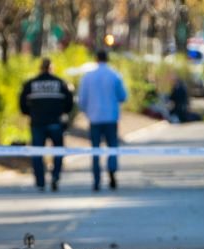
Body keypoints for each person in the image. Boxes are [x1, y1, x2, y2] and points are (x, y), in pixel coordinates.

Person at [19, 57, 74, 192]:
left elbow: (22, 103)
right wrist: (62, 112)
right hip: (56, 122)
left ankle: (40, 181)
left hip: (37, 123)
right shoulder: (60, 83)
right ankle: (55, 176)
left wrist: (30, 113)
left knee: (37, 152)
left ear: (40, 68)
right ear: (52, 68)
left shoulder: (31, 84)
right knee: (58, 151)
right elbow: (69, 103)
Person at [78, 49, 127, 191]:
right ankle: (112, 171)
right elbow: (123, 96)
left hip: (94, 118)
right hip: (111, 117)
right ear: (108, 59)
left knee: (95, 149)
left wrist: (87, 111)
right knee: (112, 147)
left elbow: (82, 100)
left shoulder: (87, 77)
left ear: (96, 59)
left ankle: (96, 180)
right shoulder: (115, 75)